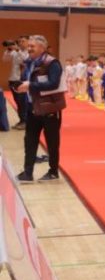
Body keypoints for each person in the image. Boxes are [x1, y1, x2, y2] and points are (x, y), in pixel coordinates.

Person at [15, 36, 64, 183]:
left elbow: (53, 84)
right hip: (33, 108)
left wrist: (30, 85)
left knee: (52, 142)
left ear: (42, 48)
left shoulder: (52, 63)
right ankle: (28, 173)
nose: (28, 48)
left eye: (32, 46)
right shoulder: (29, 62)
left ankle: (53, 172)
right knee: (29, 141)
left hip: (49, 109)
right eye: (28, 46)